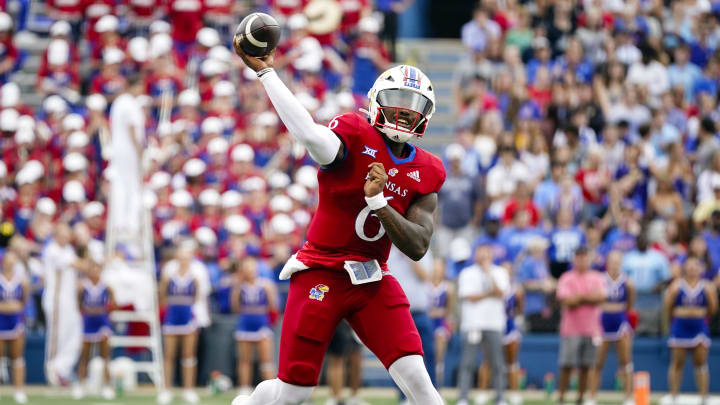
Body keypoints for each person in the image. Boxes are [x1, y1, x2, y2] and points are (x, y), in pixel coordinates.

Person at [233, 39, 445, 404]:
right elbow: (309, 135)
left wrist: (378, 201)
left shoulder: (427, 170)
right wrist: (268, 74)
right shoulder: (353, 131)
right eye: (398, 100)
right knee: (293, 394)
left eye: (414, 106)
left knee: (420, 382)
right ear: (376, 99)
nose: (405, 112)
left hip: (372, 277)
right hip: (321, 271)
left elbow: (418, 245)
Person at [456, 244, 509, 405]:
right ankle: (463, 397)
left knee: (498, 363)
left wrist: (488, 274)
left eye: (486, 253)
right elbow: (469, 296)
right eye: (480, 253)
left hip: (494, 323)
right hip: (473, 323)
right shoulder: (467, 273)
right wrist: (489, 294)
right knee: (467, 363)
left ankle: (500, 397)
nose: (483, 257)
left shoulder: (500, 272)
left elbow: (501, 293)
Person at [663, 257, 717, 405]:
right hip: (680, 327)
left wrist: (699, 315)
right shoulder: (676, 286)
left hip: (699, 327)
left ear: (701, 269)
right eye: (689, 266)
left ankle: (704, 396)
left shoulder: (707, 287)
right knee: (677, 363)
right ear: (684, 268)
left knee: (700, 363)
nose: (692, 269)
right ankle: (674, 396)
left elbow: (713, 309)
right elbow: (668, 306)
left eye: (695, 267)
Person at [556, 247, 606, 405]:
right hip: (571, 329)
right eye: (578, 258)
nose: (581, 261)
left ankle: (580, 398)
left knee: (586, 366)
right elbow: (567, 301)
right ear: (574, 260)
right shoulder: (566, 277)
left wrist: (579, 298)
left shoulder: (597, 277)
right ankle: (562, 398)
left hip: (591, 329)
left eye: (584, 258)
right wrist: (587, 298)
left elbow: (601, 297)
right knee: (567, 365)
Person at [388, 245, 436, 403]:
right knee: (400, 359)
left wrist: (409, 256)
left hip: (420, 311)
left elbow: (425, 276)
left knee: (428, 355)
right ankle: (404, 398)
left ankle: (430, 396)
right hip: (399, 314)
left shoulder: (422, 251)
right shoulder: (389, 253)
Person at [158, 242, 201, 404]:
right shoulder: (168, 278)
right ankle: (166, 389)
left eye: (187, 257)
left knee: (188, 356)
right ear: (177, 258)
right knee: (169, 356)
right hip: (172, 318)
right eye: (181, 257)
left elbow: (196, 298)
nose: (184, 260)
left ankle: (189, 390)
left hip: (188, 319)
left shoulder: (195, 278)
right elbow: (163, 297)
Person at [590, 250, 635, 405]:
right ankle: (592, 397)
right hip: (602, 322)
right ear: (607, 263)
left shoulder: (627, 282)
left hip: (620, 322)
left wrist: (618, 309)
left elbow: (630, 303)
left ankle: (628, 397)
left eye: (618, 262)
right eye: (612, 261)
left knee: (626, 362)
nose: (615, 265)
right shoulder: (600, 280)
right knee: (597, 362)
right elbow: (594, 301)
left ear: (621, 263)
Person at [231, 257, 278, 396]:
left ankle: (270, 390)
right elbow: (235, 307)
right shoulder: (239, 286)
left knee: (266, 360)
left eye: (252, 267)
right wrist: (236, 288)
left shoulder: (266, 285)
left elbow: (273, 305)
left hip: (262, 324)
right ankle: (244, 387)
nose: (249, 270)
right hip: (245, 324)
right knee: (244, 360)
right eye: (246, 268)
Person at [108, 74, 146, 242]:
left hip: (118, 150)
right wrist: (140, 151)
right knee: (132, 186)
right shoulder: (130, 103)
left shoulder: (118, 102)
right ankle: (131, 224)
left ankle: (119, 223)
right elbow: (132, 130)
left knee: (120, 186)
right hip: (129, 151)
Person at [76, 262, 116, 400]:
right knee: (85, 355)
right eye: (92, 270)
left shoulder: (106, 287)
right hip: (88, 322)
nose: (95, 273)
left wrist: (104, 311)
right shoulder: (82, 287)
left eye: (97, 270)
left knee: (105, 355)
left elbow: (114, 304)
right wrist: (87, 311)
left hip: (102, 322)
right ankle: (82, 385)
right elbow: (78, 303)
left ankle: (107, 386)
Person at [0, 251, 28, 404]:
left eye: (13, 261)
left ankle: (19, 390)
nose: (10, 263)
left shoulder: (22, 281)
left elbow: (23, 303)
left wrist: (16, 307)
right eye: (8, 260)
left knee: (17, 358)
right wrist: (8, 307)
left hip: (15, 323)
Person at [325, 321, 367, 405]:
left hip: (354, 317)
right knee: (336, 359)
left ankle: (354, 397)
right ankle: (336, 399)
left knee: (356, 356)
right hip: (340, 319)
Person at [428, 261, 453, 387]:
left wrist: (440, 313)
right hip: (427, 322)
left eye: (439, 268)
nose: (437, 271)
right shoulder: (425, 284)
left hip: (440, 323)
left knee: (438, 356)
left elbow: (449, 310)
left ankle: (437, 384)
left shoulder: (447, 288)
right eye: (435, 268)